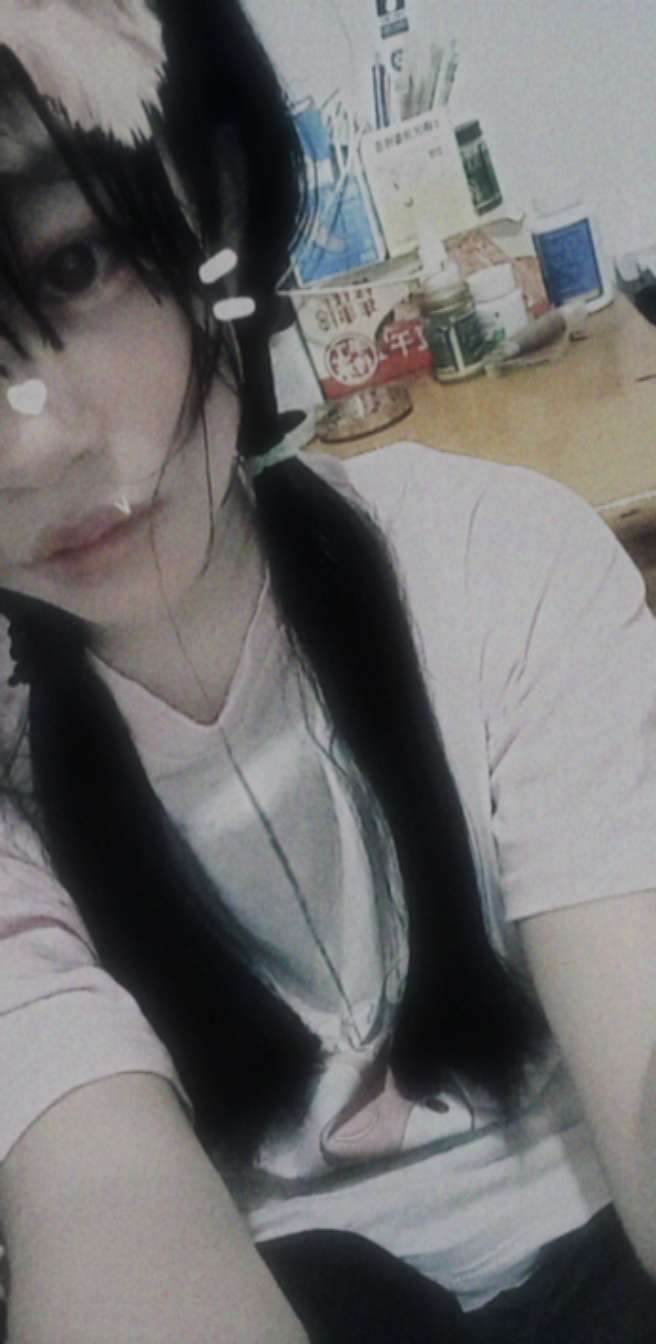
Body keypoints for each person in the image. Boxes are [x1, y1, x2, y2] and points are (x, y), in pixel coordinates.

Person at [0, 3, 655, 1342]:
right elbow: (90, 1185)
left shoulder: (495, 567)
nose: (31, 445)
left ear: (222, 196)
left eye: (73, 262)